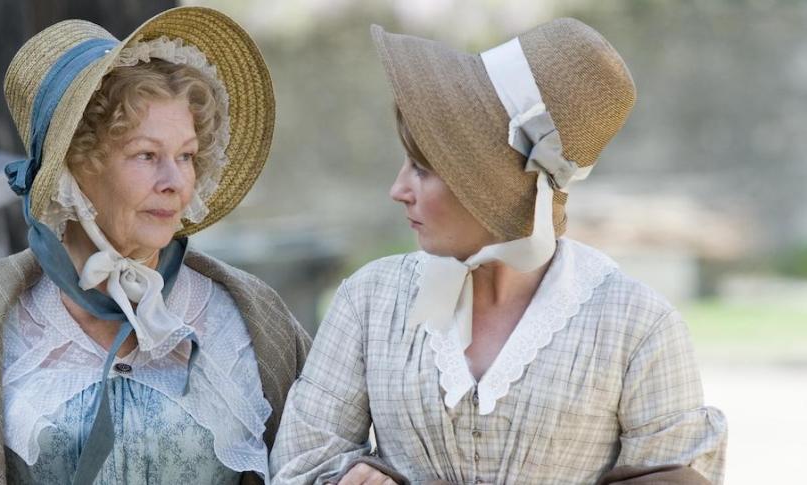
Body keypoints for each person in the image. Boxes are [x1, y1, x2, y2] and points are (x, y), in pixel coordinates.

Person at [0, 7, 310, 484]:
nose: (175, 182)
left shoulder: (245, 318)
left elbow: (332, 453)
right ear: (76, 166)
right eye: (147, 155)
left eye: (187, 156)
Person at [270, 18, 726, 485]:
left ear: (486, 185)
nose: (398, 190)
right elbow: (298, 467)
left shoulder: (637, 327)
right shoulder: (369, 301)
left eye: (423, 169)